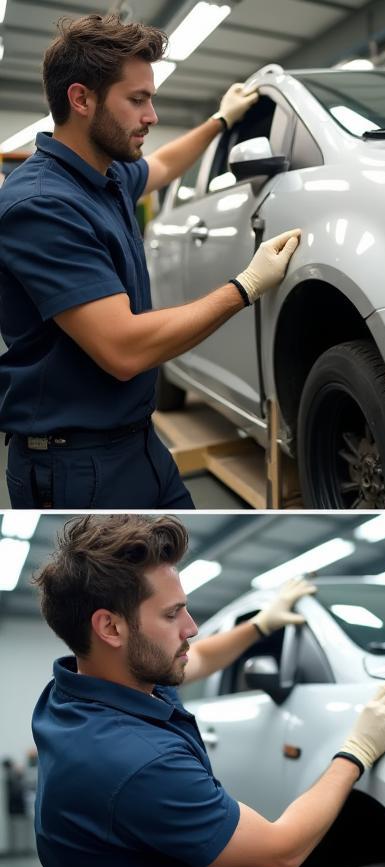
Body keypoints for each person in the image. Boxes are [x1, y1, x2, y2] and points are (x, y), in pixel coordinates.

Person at [31, 515, 385, 867]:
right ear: (109, 626)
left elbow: (193, 663)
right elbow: (282, 851)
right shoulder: (130, 759)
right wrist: (354, 751)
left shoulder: (91, 684)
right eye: (173, 614)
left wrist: (261, 625)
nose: (192, 628)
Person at [0, 14, 301, 509]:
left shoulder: (106, 175)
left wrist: (220, 121)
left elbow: (160, 167)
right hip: (74, 465)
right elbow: (124, 350)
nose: (152, 116)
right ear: (81, 99)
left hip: (137, 441)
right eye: (137, 100)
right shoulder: (42, 205)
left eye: (152, 98)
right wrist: (245, 286)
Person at [3, 757, 31, 854]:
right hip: (17, 808)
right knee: (20, 829)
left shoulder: (10, 777)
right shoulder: (13, 777)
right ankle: (21, 848)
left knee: (17, 830)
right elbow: (17, 793)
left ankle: (18, 848)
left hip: (13, 809)